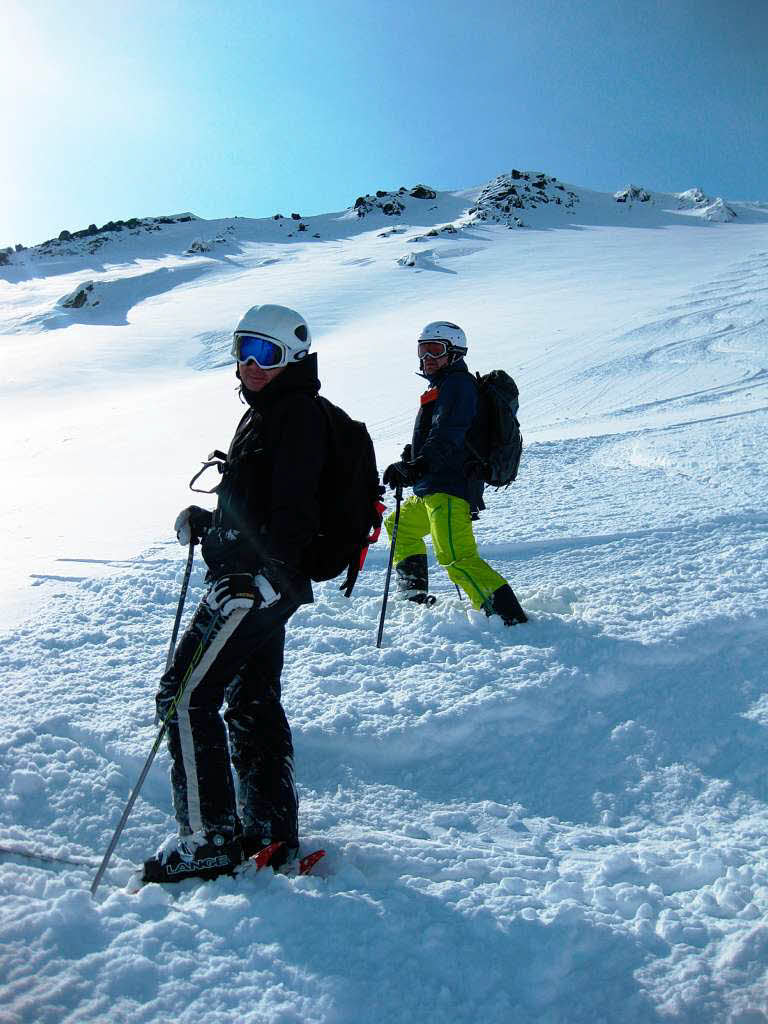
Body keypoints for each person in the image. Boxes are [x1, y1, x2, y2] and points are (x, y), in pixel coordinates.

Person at [142, 303, 328, 884]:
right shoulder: (270, 413)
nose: (251, 364)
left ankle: (209, 841)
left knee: (183, 695)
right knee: (250, 699)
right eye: (243, 348)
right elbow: (257, 505)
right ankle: (269, 826)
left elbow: (297, 512)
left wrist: (263, 576)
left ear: (292, 356)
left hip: (253, 588)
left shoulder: (293, 415)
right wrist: (210, 521)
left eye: (266, 353)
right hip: (262, 585)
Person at [382, 321, 527, 626]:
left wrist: (417, 465)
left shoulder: (457, 385)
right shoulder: (443, 387)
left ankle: (507, 617)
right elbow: (446, 434)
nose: (427, 358)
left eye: (436, 350)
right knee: (400, 525)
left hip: (450, 487)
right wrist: (414, 457)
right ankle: (413, 595)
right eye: (422, 351)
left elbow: (448, 433)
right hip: (433, 486)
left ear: (456, 352)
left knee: (457, 558)